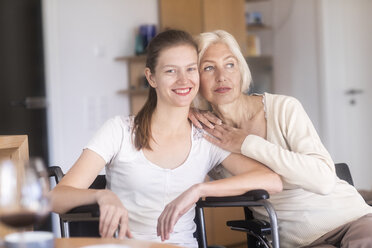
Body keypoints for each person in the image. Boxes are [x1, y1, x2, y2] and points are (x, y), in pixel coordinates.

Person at [50, 29, 282, 248]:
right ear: (151, 77)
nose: (184, 80)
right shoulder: (119, 131)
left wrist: (199, 190)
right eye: (171, 71)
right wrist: (102, 195)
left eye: (191, 69)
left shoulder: (206, 137)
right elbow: (55, 198)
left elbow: (271, 180)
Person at [189, 29, 372, 248]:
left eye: (230, 64)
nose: (222, 76)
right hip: (300, 240)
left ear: (241, 70)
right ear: (194, 78)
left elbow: (323, 181)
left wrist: (247, 143)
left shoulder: (284, 108)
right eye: (208, 68)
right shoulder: (206, 135)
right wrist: (183, 113)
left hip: (354, 219)